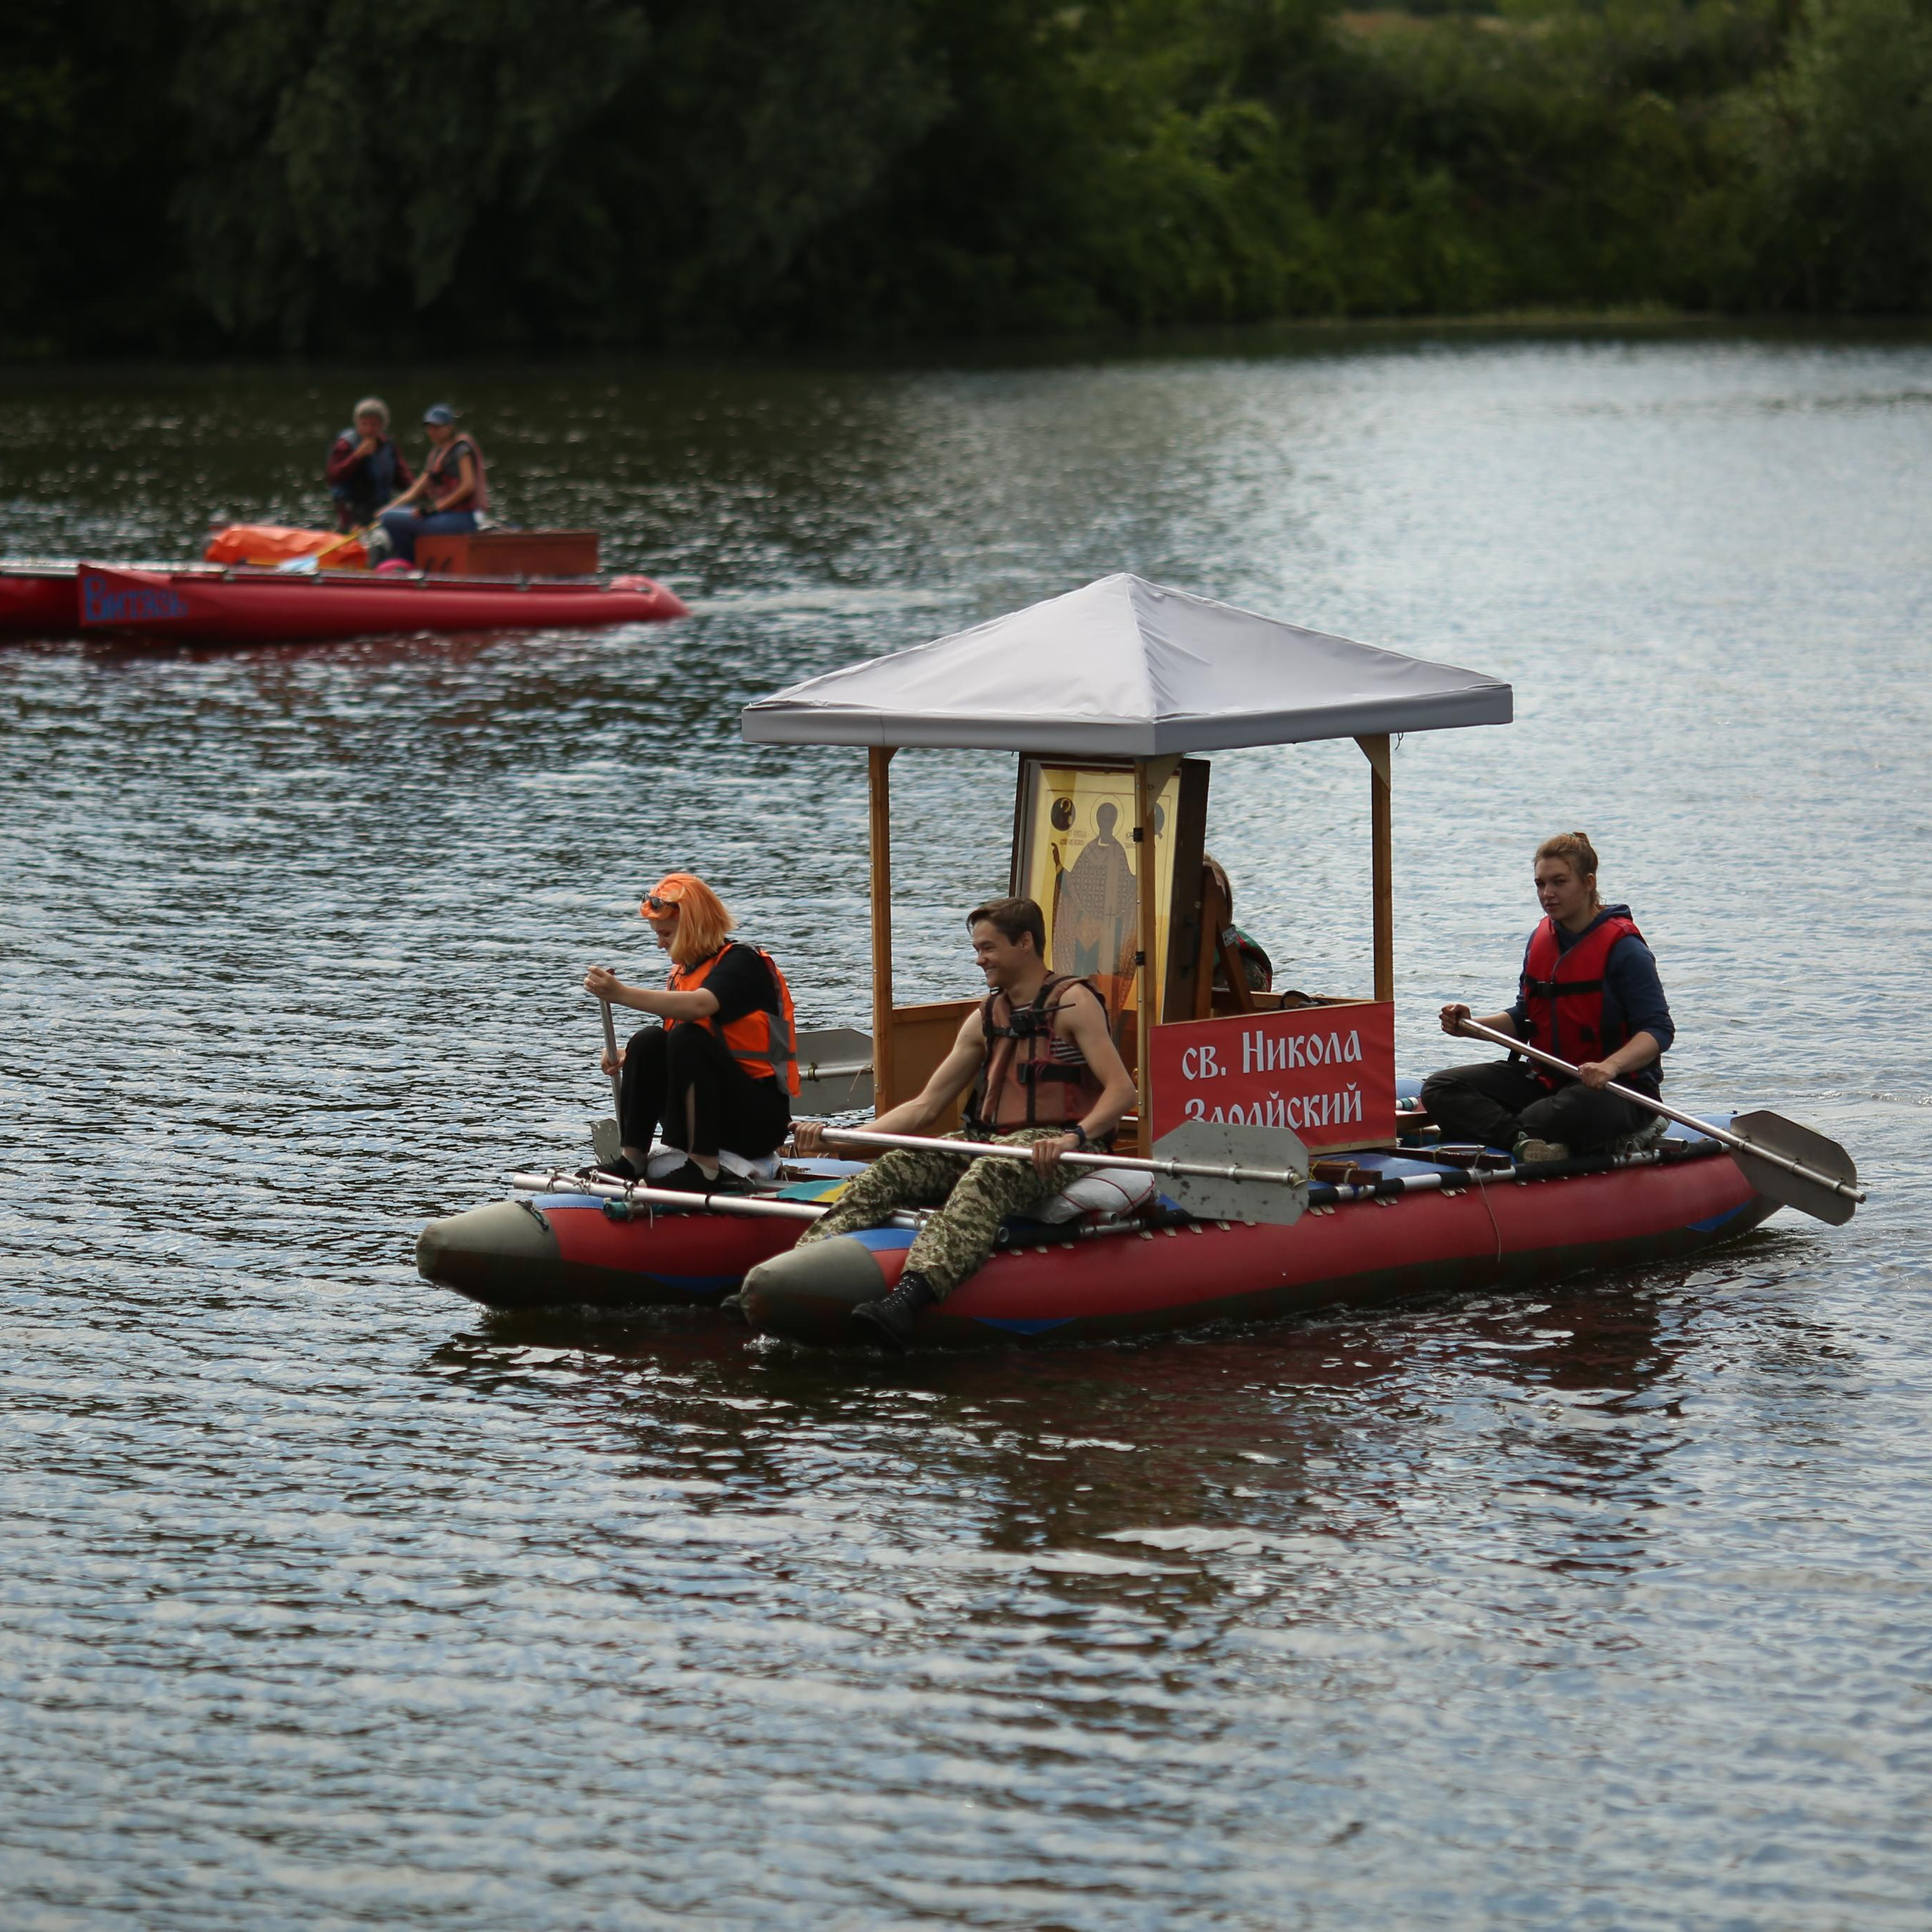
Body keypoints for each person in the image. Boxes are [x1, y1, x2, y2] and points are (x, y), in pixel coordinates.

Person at [790, 897, 1136, 1346]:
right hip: (986, 1139)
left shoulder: (1073, 1003)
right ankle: (798, 1272)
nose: (979, 959)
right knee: (895, 1167)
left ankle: (910, 1298)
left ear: (1025, 942)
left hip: (1060, 1143)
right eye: (977, 949)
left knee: (987, 1174)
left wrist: (1075, 1137)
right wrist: (841, 1141)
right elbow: (925, 1106)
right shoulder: (985, 1018)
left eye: (989, 948)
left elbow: (1122, 1091)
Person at [1423, 832, 1674, 1162]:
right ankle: (1525, 1142)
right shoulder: (1541, 938)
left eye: (1559, 882)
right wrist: (1470, 1026)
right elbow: (1525, 1016)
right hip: (1547, 1078)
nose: (1547, 894)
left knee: (1551, 1114)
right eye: (1540, 884)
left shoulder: (1626, 949)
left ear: (1588, 883)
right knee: (1440, 1088)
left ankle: (1523, 1133)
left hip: (1616, 1088)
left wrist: (1609, 1066)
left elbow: (1658, 1030)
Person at [582, 873, 798, 1195]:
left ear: (692, 927)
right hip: (701, 1118)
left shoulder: (742, 963)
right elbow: (670, 1045)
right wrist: (629, 1057)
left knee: (688, 1038)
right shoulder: (683, 973)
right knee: (647, 1040)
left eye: (666, 934)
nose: (660, 944)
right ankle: (633, 1159)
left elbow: (700, 1007)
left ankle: (704, 1169)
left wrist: (621, 994)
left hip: (754, 1124)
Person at [374, 405, 489, 564]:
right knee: (389, 516)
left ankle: (410, 563)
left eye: (437, 427)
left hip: (461, 519)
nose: (432, 431)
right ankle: (411, 561)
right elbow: (414, 492)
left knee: (390, 518)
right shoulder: (438, 453)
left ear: (450, 427)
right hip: (444, 516)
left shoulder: (461, 450)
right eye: (429, 427)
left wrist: (435, 508)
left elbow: (468, 486)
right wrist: (386, 509)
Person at [324, 398, 413, 531]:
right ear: (357, 423)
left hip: (380, 510)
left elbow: (404, 479)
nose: (369, 429)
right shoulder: (346, 445)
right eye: (364, 424)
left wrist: (421, 492)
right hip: (353, 515)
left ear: (382, 425)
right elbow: (333, 477)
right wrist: (357, 457)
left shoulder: (388, 445)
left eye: (374, 425)